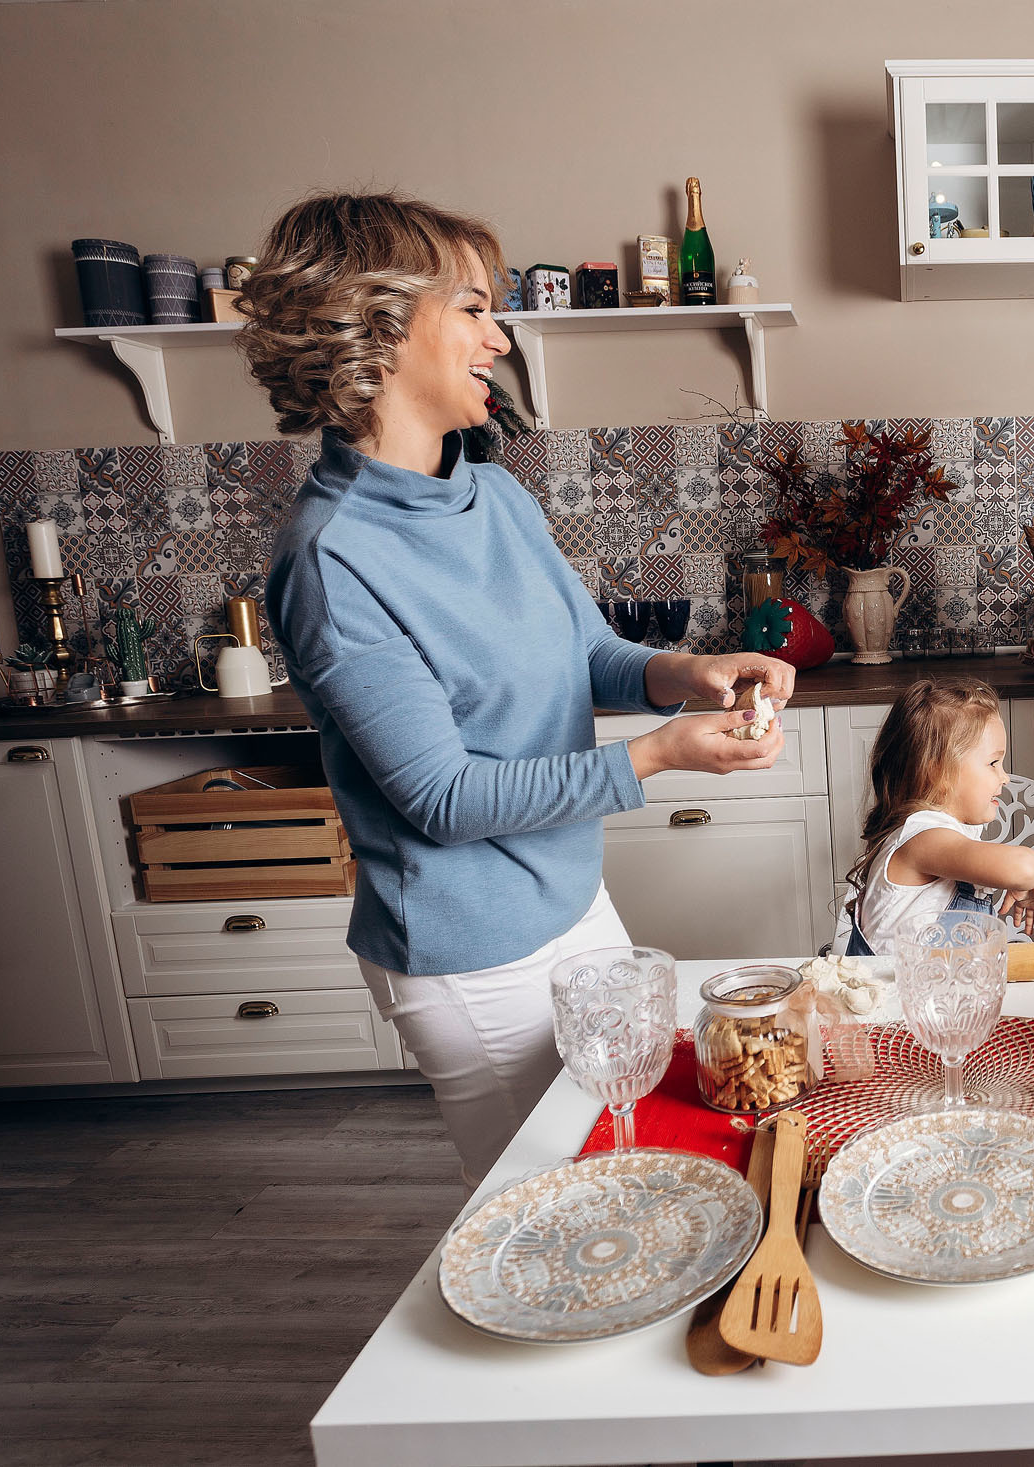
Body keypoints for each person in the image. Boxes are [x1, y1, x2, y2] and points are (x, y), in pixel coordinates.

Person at [241, 192, 797, 1185]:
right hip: (472, 957)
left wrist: (689, 673)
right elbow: (443, 799)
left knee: (633, 1166)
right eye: (472, 309)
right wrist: (659, 754)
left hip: (574, 906)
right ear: (376, 327)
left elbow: (588, 652)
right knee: (553, 1202)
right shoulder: (333, 558)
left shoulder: (493, 493)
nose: (499, 339)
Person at [846, 678, 1034, 955]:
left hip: (940, 981)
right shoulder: (924, 839)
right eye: (993, 763)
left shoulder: (943, 836)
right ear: (938, 772)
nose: (1004, 777)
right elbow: (1024, 868)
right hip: (897, 984)